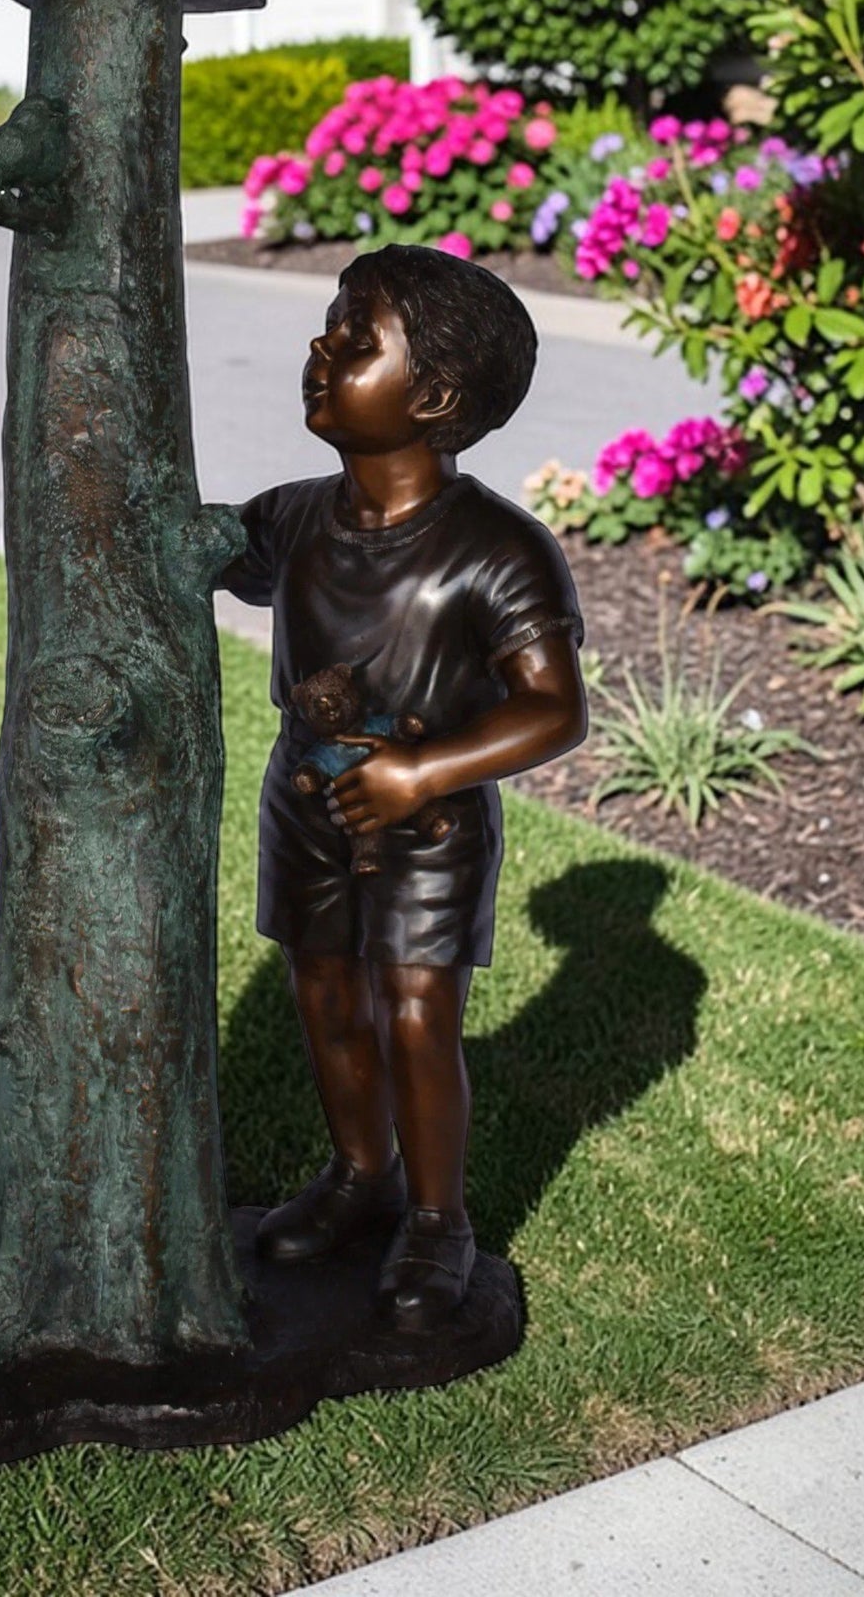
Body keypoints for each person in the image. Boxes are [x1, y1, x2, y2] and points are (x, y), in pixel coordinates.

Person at [218, 242, 587, 1327]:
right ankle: (355, 1174)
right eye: (329, 324)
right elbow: (203, 549)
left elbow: (552, 708)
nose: (320, 348)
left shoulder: (498, 551)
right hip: (305, 804)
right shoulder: (292, 519)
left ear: (428, 394)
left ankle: (436, 1218)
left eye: (352, 336)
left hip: (427, 822)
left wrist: (422, 767)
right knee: (325, 994)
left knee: (416, 1012)